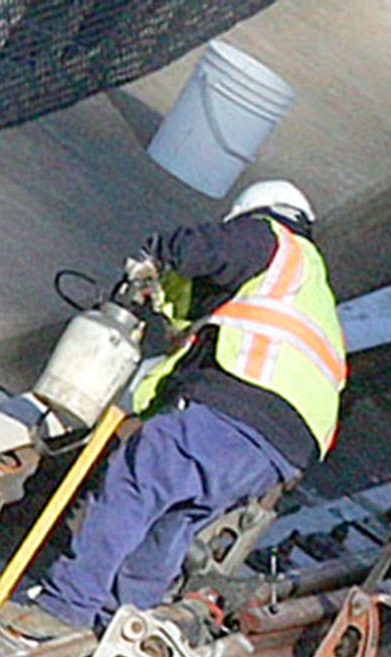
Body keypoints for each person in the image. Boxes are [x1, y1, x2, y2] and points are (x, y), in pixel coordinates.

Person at [26, 179, 346, 633]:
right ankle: (124, 619)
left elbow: (208, 248)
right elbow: (203, 335)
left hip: (240, 406)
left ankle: (67, 606)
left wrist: (159, 252)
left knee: (139, 478)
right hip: (284, 448)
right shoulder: (306, 291)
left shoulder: (271, 238)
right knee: (175, 519)